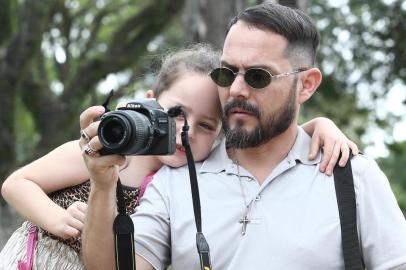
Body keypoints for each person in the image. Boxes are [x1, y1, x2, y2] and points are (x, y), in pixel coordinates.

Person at [80, 3, 406, 270]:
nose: (235, 90)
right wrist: (103, 183)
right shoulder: (176, 181)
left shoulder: (353, 178)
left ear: (306, 84)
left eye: (258, 76)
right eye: (225, 72)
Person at [0, 44, 355, 269]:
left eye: (206, 125)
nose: (184, 131)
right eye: (176, 113)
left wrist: (318, 124)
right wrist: (56, 218)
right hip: (35, 260)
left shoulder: (192, 178)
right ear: (152, 99)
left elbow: (269, 139)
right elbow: (17, 183)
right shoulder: (107, 149)